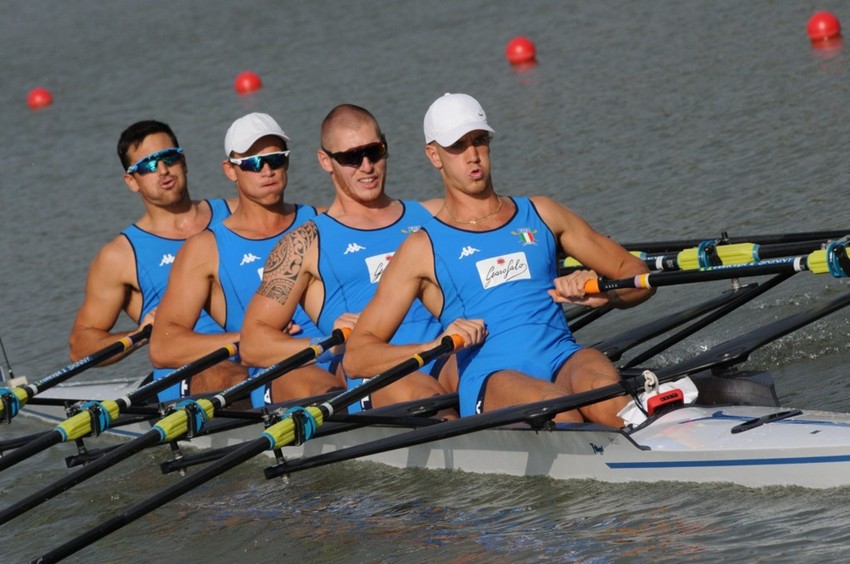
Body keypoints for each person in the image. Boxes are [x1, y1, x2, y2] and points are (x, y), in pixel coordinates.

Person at [343, 93, 654, 427]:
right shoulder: (422, 248)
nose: (473, 155)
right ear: (434, 155)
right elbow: (358, 356)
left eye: (479, 140)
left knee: (605, 389)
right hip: (492, 379)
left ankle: (651, 435)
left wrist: (607, 294)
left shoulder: (542, 213)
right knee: (557, 407)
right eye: (457, 146)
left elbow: (635, 274)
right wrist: (436, 344)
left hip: (563, 356)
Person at [240, 104, 455, 415]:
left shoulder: (434, 214)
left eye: (374, 151)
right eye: (351, 157)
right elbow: (252, 344)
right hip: (376, 378)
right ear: (325, 161)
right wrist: (328, 343)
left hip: (445, 355)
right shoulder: (303, 244)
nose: (366, 166)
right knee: (426, 395)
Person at [149, 112, 343, 407]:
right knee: (317, 385)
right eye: (253, 163)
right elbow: (164, 346)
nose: (267, 170)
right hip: (272, 371)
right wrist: (247, 338)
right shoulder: (205, 249)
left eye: (276, 159)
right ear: (230, 170)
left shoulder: (325, 220)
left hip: (338, 352)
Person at [68, 120, 242, 402]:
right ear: (131, 181)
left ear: (183, 161)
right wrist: (139, 334)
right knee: (234, 378)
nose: (162, 170)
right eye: (148, 166)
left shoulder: (238, 213)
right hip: (192, 368)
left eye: (169, 157)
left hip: (258, 346)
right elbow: (80, 346)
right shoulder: (120, 256)